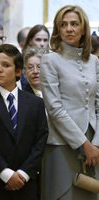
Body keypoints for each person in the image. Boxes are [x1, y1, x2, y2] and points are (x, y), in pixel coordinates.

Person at [0, 44, 48, 200]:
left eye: (5, 65)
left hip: (25, 182)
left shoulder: (36, 103)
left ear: (18, 71)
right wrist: (5, 173)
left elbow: (40, 139)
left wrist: (23, 174)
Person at [40, 5, 99, 200]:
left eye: (74, 24)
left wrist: (96, 144)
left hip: (94, 143)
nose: (69, 29)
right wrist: (84, 144)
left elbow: (97, 105)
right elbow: (54, 108)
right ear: (57, 30)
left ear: (84, 29)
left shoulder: (94, 61)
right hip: (62, 143)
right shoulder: (50, 60)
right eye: (63, 25)